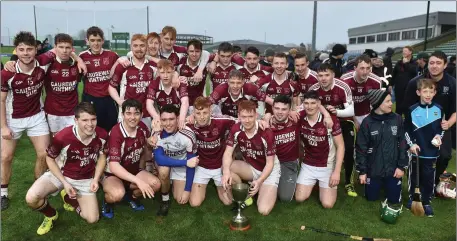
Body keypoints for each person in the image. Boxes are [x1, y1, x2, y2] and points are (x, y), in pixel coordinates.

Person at [25, 102, 108, 235]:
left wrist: (96, 179)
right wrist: (64, 182)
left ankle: (71, 200)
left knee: (92, 219)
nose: (90, 124)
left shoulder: (102, 135)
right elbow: (49, 159)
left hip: (85, 178)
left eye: (93, 119)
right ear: (76, 120)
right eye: (85, 120)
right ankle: (51, 215)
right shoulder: (62, 136)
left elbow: (103, 157)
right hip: (61, 175)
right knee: (32, 197)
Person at [1, 32, 53, 210]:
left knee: (44, 154)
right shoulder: (7, 72)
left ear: (35, 50)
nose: (25, 53)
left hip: (37, 117)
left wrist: (79, 58)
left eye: (29, 49)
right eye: (21, 49)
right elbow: (1, 100)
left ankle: (37, 188)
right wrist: (3, 126)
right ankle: (3, 193)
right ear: (16, 50)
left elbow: (61, 49)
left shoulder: (43, 63)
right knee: (6, 157)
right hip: (13, 118)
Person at [402, 51, 456, 186]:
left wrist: (448, 124)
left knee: (444, 156)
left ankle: (434, 181)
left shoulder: (452, 83)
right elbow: (406, 110)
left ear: (445, 65)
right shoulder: (415, 83)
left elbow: (455, 110)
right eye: (432, 63)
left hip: (442, 125)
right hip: (419, 126)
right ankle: (415, 186)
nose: (434, 66)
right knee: (417, 154)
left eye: (438, 63)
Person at [101, 99, 161, 219]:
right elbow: (114, 166)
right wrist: (139, 181)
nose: (132, 117)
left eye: (136, 113)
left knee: (156, 184)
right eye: (128, 113)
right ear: (122, 115)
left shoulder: (142, 127)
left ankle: (132, 197)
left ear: (142, 115)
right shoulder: (116, 133)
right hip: (112, 174)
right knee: (117, 194)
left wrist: (151, 140)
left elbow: (146, 148)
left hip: (133, 170)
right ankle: (107, 202)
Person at [222, 100, 280, 215]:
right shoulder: (236, 129)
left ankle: (264, 188)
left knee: (263, 210)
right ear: (238, 116)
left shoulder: (266, 132)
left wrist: (259, 181)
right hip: (251, 167)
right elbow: (228, 153)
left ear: (256, 115)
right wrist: (225, 173)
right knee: (227, 168)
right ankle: (244, 195)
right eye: (244, 117)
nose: (247, 120)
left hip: (269, 170)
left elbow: (270, 163)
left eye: (250, 116)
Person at [309, 63, 357, 197]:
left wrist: (337, 112)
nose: (323, 78)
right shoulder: (314, 89)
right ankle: (318, 179)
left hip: (343, 121)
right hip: (324, 123)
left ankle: (348, 182)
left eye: (326, 75)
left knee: (348, 149)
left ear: (333, 75)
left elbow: (352, 110)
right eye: (320, 75)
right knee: (318, 148)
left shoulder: (342, 86)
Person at [356, 89, 408, 206]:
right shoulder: (367, 122)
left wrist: (401, 167)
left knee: (394, 200)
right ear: (378, 104)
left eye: (391, 101)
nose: (391, 104)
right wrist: (363, 171)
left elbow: (403, 144)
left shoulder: (397, 119)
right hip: (374, 170)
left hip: (393, 170)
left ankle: (391, 185)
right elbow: (361, 149)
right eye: (388, 101)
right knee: (371, 198)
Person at [295, 91, 344, 208]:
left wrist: (336, 172)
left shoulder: (331, 120)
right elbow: (286, 114)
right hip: (308, 164)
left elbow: (341, 146)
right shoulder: (300, 117)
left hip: (326, 165)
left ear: (319, 104)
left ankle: (321, 183)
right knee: (299, 198)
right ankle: (315, 183)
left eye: (313, 103)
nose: (309, 106)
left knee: (327, 204)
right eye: (306, 103)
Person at [404, 78, 443, 217]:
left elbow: (441, 128)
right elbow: (406, 129)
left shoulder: (439, 109)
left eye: (430, 91)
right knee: (414, 176)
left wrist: (439, 136)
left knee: (428, 177)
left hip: (431, 152)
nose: (427, 94)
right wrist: (411, 144)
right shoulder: (412, 110)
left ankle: (426, 201)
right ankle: (412, 198)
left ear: (434, 93)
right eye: (424, 91)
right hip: (416, 151)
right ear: (418, 92)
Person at [151, 104, 199, 216]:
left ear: (178, 118)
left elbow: (191, 164)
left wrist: (187, 190)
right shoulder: (157, 133)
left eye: (171, 119)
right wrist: (185, 162)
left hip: (182, 168)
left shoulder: (188, 135)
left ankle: (172, 183)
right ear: (160, 120)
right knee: (163, 171)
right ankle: (165, 199)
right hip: (170, 164)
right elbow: (160, 160)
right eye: (164, 120)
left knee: (181, 199)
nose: (168, 124)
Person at [186, 97, 234, 207]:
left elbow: (242, 121)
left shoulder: (221, 122)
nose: (202, 117)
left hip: (219, 166)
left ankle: (219, 184)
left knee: (228, 201)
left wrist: (260, 122)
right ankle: (206, 184)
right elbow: (172, 125)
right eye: (198, 113)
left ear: (210, 110)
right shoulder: (189, 124)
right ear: (193, 112)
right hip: (202, 167)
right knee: (194, 203)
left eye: (205, 113)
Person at [109, 34, 155, 129]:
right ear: (131, 47)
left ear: (147, 46)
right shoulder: (124, 66)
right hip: (127, 114)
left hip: (146, 114)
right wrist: (119, 101)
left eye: (142, 45)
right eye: (135, 45)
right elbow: (111, 87)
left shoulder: (152, 66)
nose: (139, 49)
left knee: (145, 141)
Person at [79, 26, 119, 132]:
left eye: (98, 40)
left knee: (111, 129)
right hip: (90, 98)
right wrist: (76, 58)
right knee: (91, 129)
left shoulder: (112, 55)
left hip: (109, 99)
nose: (95, 43)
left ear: (103, 41)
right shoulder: (82, 57)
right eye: (92, 40)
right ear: (87, 41)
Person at [43, 34, 81, 136]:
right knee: (55, 142)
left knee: (73, 141)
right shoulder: (48, 64)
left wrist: (78, 59)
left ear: (72, 49)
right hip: (53, 112)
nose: (64, 51)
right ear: (55, 47)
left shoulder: (78, 65)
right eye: (61, 47)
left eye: (67, 47)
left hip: (72, 112)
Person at [208, 69, 273, 118]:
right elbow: (206, 104)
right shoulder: (221, 89)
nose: (235, 86)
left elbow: (270, 101)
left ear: (243, 82)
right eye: (232, 82)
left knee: (260, 118)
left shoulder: (250, 88)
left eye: (238, 83)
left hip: (246, 118)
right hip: (226, 118)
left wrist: (271, 114)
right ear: (228, 82)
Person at [341, 54, 382, 128]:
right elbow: (345, 103)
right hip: (349, 114)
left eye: (368, 68)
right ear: (355, 68)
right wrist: (354, 119)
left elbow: (376, 103)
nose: (365, 71)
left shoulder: (376, 81)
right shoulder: (345, 80)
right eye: (362, 68)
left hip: (366, 114)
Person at [146, 59, 189, 129]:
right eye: (162, 72)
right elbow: (149, 104)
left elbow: (185, 102)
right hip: (163, 119)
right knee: (156, 126)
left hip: (178, 117)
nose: (165, 76)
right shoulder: (154, 84)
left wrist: (181, 118)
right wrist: (156, 117)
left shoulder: (180, 82)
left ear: (173, 72)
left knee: (184, 128)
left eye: (168, 72)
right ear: (158, 72)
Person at [177, 39, 209, 110]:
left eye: (197, 51)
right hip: (182, 103)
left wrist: (214, 62)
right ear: (187, 51)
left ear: (201, 52)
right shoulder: (180, 62)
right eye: (191, 51)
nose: (194, 54)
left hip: (199, 104)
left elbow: (209, 54)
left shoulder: (206, 64)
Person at [390, 46, 417, 116]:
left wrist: (406, 63)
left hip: (409, 89)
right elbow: (394, 74)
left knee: (407, 106)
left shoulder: (414, 62)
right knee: (398, 106)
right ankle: (397, 121)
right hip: (398, 88)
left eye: (405, 51)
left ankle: (407, 121)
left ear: (410, 52)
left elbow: (414, 71)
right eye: (403, 51)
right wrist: (390, 84)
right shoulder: (399, 62)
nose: (403, 52)